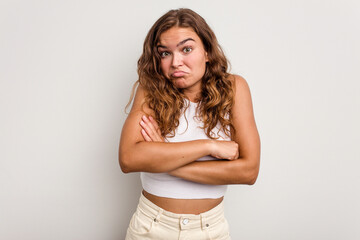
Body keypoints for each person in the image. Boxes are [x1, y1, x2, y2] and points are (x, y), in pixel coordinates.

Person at [119, 8, 260, 240]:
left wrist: (165, 160)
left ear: (206, 51)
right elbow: (128, 158)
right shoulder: (150, 89)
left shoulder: (234, 88)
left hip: (210, 231)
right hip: (151, 228)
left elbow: (248, 171)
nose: (176, 62)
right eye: (165, 53)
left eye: (187, 49)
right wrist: (208, 146)